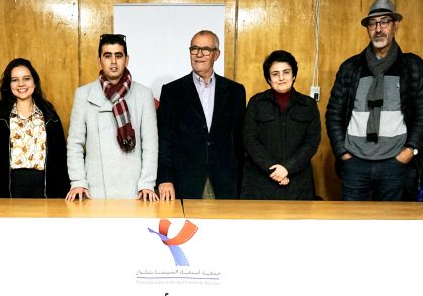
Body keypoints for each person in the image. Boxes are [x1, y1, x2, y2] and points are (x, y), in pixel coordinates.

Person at [325, 0, 423, 201]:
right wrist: (342, 153)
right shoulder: (350, 68)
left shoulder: (412, 67)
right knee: (351, 220)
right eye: (373, 23)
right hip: (355, 164)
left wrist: (409, 151)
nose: (378, 29)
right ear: (367, 28)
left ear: (395, 26)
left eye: (384, 22)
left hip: (395, 164)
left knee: (390, 221)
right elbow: (334, 113)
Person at [65, 34, 159, 201]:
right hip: (95, 189)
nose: (113, 62)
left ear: (127, 60)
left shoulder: (143, 94)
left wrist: (147, 183)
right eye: (107, 56)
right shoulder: (83, 94)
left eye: (118, 56)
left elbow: (150, 144)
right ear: (99, 61)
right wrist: (78, 181)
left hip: (134, 189)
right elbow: (75, 143)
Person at [156, 30, 247, 200]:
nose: (198, 54)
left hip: (226, 181)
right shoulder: (171, 91)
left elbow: (240, 141)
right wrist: (165, 178)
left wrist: (243, 182)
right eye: (194, 49)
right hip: (185, 181)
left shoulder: (235, 91)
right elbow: (164, 140)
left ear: (216, 54)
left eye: (205, 49)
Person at [0, 58, 69, 198]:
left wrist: (62, 192)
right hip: (10, 189)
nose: (21, 84)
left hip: (45, 189)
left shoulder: (49, 115)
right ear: (9, 84)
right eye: (15, 80)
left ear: (34, 82)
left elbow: (61, 158)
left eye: (26, 78)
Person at [241, 50, 321, 200]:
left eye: (286, 72)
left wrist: (287, 168)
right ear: (268, 78)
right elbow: (249, 140)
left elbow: (311, 142)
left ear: (294, 75)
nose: (281, 78)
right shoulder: (256, 103)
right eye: (275, 74)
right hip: (260, 182)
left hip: (297, 183)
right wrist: (274, 170)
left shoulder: (308, 105)